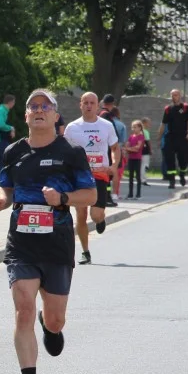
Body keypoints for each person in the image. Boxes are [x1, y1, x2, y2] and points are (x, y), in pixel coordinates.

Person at [0, 88, 96, 374]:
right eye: (32, 106)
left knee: (55, 320)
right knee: (22, 310)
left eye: (44, 106)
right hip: (21, 242)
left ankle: (50, 328)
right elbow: (4, 189)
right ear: (25, 116)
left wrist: (62, 198)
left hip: (57, 241)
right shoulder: (13, 152)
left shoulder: (71, 152)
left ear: (55, 114)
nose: (38, 110)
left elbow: (89, 195)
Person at [64, 92, 119, 265]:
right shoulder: (72, 127)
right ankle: (85, 252)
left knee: (95, 215)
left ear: (97, 105)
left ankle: (100, 219)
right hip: (79, 175)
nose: (88, 105)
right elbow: (65, 152)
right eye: (85, 102)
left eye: (92, 103)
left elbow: (115, 148)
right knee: (81, 214)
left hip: (99, 174)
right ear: (80, 105)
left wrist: (113, 166)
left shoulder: (106, 126)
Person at [157, 89, 188, 189]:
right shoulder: (168, 109)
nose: (174, 97)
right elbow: (163, 124)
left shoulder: (186, 108)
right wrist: (159, 137)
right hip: (170, 137)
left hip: (182, 138)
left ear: (180, 96)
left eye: (176, 95)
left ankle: (182, 174)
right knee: (169, 159)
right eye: (173, 95)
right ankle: (171, 180)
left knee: (183, 160)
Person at [0, 94, 15, 177]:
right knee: (2, 160)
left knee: (5, 160)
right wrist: (11, 128)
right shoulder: (0, 110)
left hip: (5, 139)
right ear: (11, 102)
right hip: (1, 139)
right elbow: (0, 124)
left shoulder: (4, 111)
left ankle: (3, 179)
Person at [109, 107, 127, 199]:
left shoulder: (106, 123)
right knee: (115, 171)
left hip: (107, 148)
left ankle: (106, 193)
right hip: (117, 149)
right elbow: (123, 140)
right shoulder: (121, 125)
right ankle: (115, 194)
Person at [125, 119, 145, 199]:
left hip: (137, 158)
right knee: (130, 176)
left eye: (135, 127)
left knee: (137, 176)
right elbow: (127, 145)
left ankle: (138, 193)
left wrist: (129, 148)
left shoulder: (141, 136)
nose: (133, 129)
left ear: (140, 128)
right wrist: (129, 148)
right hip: (131, 158)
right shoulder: (131, 137)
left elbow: (138, 148)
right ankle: (130, 193)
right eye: (132, 127)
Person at [140, 116, 152, 187]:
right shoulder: (145, 132)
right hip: (145, 150)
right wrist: (150, 150)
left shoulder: (139, 131)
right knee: (145, 165)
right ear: (144, 123)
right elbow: (148, 141)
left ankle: (140, 178)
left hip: (139, 150)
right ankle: (143, 179)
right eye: (148, 123)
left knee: (141, 165)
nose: (149, 124)